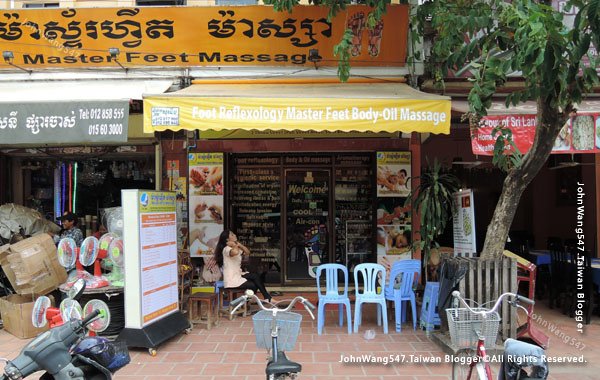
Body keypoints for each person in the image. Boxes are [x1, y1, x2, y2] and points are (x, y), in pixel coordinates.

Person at [214, 229, 274, 302]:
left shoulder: (236, 247)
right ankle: (245, 302)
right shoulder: (226, 249)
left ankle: (266, 297)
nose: (235, 235)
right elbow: (235, 252)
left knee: (255, 276)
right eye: (232, 235)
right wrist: (234, 245)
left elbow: (247, 252)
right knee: (254, 285)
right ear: (227, 239)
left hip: (238, 274)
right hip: (231, 278)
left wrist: (240, 245)